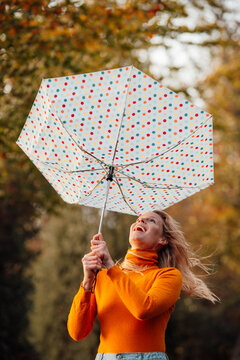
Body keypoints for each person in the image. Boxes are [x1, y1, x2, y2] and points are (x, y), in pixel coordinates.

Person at [67, 210, 220, 360]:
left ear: (163, 240)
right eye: (139, 218)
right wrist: (86, 282)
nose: (140, 221)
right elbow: (77, 332)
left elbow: (143, 309)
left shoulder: (168, 276)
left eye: (151, 220)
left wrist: (110, 264)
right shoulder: (102, 277)